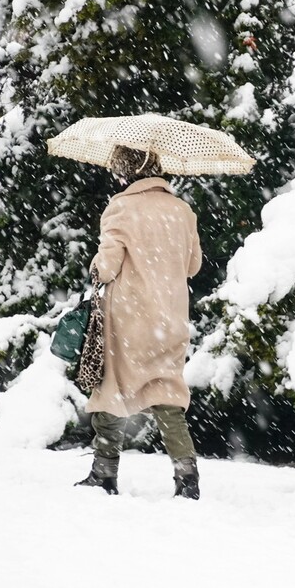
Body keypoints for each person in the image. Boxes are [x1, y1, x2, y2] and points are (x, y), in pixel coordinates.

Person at [75, 146, 203, 499]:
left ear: (128, 172)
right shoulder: (183, 211)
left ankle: (104, 472)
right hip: (171, 318)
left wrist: (95, 266)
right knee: (168, 396)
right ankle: (186, 476)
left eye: (118, 171)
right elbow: (193, 266)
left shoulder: (121, 207)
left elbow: (107, 266)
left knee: (110, 392)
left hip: (128, 320)